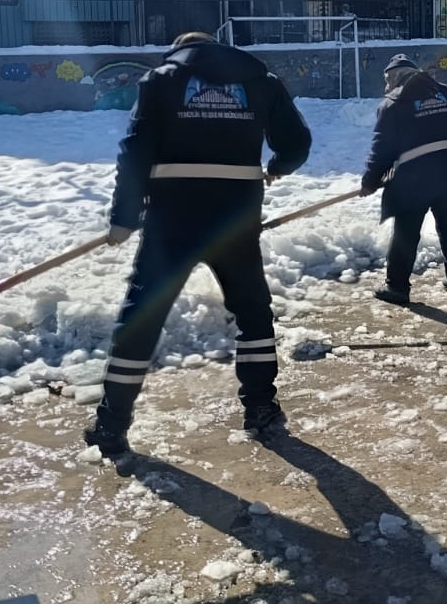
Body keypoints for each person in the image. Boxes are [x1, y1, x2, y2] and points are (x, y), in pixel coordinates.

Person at [86, 31, 312, 456]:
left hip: (173, 218)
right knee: (252, 313)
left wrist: (123, 217)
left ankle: (111, 425)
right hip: (236, 218)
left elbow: (135, 151)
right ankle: (261, 409)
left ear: (180, 52)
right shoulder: (262, 81)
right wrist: (278, 167)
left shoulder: (162, 79)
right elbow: (297, 143)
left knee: (142, 317)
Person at [361, 54, 447, 306]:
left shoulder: (392, 103)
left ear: (393, 78)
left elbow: (382, 149)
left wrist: (370, 181)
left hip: (414, 180)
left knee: (406, 232)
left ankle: (397, 288)